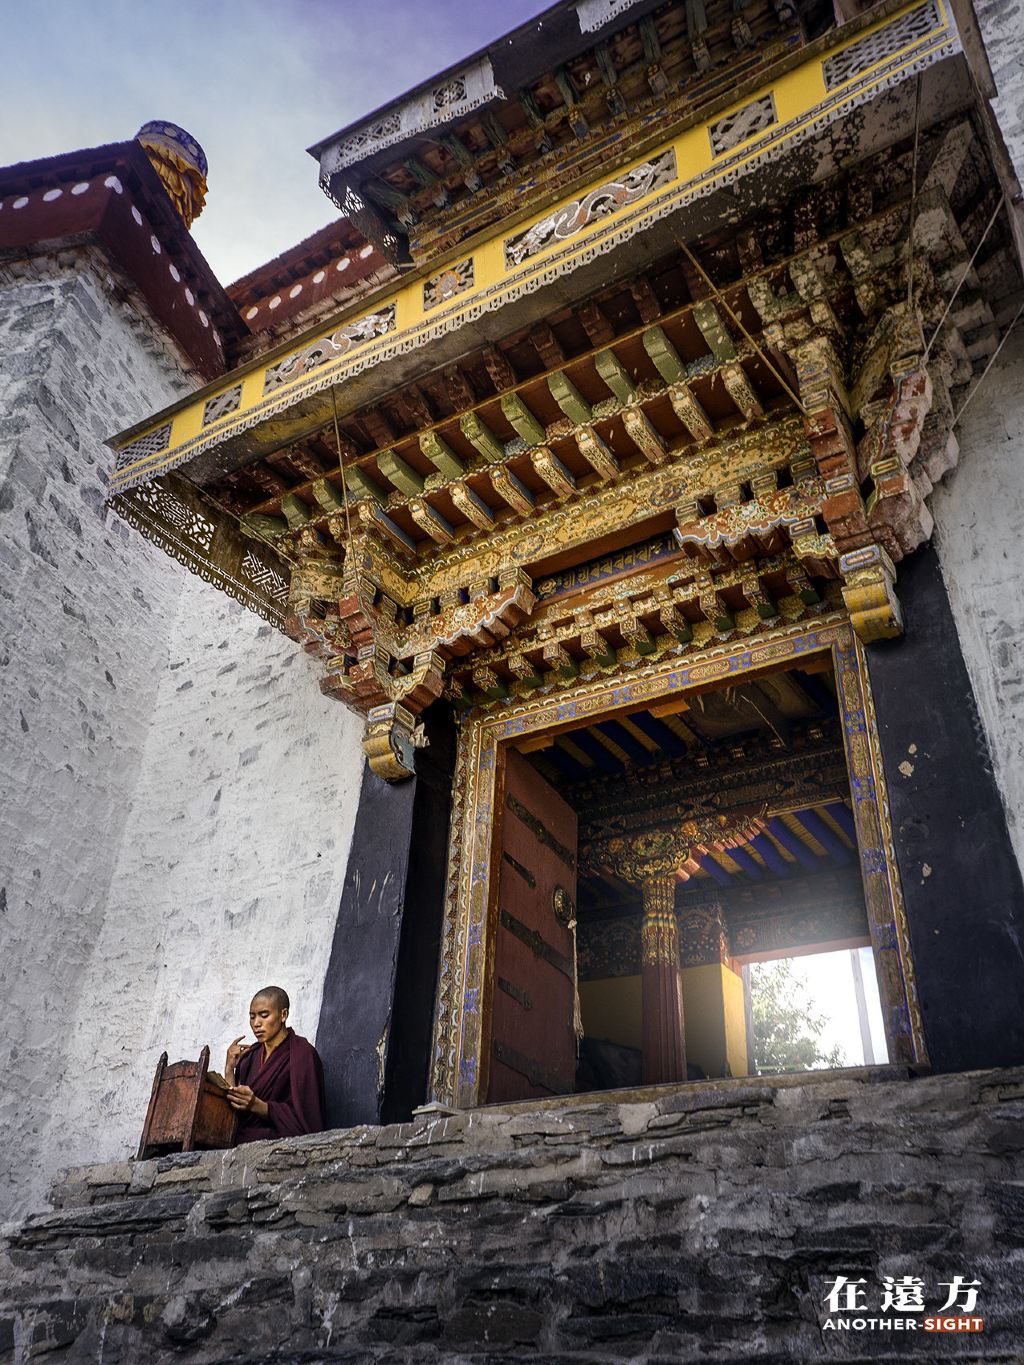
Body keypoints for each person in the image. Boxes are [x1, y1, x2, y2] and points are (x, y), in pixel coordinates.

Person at [224, 986, 326, 1143]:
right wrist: (229, 1069)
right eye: (252, 1017)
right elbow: (233, 1112)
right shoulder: (249, 1057)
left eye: (264, 1015)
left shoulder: (302, 1053)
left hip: (277, 1141)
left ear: (283, 1015)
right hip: (240, 1139)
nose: (257, 1023)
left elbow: (306, 1121)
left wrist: (258, 1105)